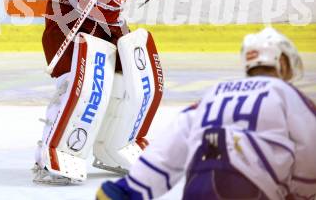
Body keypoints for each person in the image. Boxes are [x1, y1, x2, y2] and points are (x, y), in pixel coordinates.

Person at [32, 0, 173, 185]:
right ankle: (49, 157)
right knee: (74, 83)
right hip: (72, 13)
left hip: (110, 20)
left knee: (127, 83)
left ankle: (114, 148)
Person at [97, 27, 316, 200]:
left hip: (198, 189)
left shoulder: (212, 95)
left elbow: (167, 151)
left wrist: (127, 190)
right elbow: (309, 153)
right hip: (255, 190)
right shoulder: (287, 95)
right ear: (282, 62)